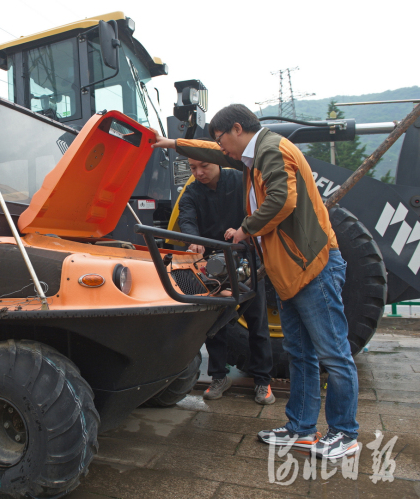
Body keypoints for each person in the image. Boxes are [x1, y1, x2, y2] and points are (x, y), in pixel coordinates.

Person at [151, 104, 360, 460]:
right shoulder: (252, 156)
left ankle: (344, 433)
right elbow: (213, 152)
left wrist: (245, 229)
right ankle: (301, 428)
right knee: (300, 354)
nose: (221, 149)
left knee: (333, 354)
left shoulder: (272, 150)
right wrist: (171, 143)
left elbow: (283, 199)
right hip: (290, 273)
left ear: (236, 129)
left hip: (313, 266)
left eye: (222, 140)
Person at [176, 158, 274, 405]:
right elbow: (186, 218)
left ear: (217, 162)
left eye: (204, 166)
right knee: (214, 325)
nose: (198, 173)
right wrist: (192, 238)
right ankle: (219, 377)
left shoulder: (240, 181)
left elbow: (258, 209)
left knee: (257, 323)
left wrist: (244, 231)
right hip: (212, 265)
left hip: (247, 261)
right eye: (192, 168)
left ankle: (263, 381)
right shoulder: (191, 192)